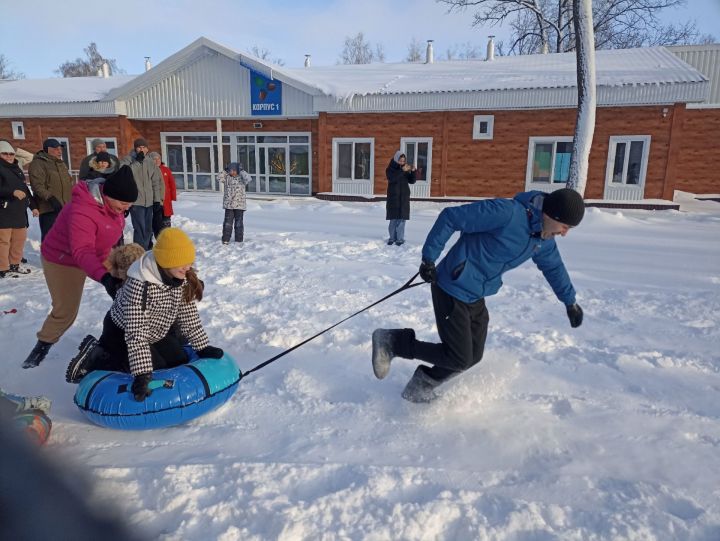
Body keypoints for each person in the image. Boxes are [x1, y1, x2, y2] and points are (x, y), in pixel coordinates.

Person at [371, 188, 586, 403]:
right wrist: (429, 258)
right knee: (459, 357)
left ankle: (421, 384)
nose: (565, 232)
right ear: (551, 215)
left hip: (476, 293)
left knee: (473, 356)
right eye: (565, 226)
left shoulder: (542, 240)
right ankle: (392, 342)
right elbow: (451, 217)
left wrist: (570, 302)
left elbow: (554, 268)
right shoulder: (507, 213)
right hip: (451, 286)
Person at [65, 228, 224, 402]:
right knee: (157, 370)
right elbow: (136, 334)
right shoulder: (140, 286)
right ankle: (99, 357)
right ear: (166, 261)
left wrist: (202, 347)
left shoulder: (180, 276)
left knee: (179, 361)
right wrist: (142, 375)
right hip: (121, 332)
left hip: (155, 330)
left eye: (189, 262)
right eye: (182, 262)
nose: (188, 267)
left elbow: (189, 317)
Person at [22, 166, 138, 369]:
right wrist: (104, 278)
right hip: (63, 260)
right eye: (123, 203)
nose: (126, 208)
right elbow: (82, 250)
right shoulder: (82, 210)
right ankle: (39, 350)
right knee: (66, 310)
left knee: (127, 288)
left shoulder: (113, 205)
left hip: (97, 255)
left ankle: (128, 335)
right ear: (108, 195)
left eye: (130, 204)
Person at [0, 141, 38, 278]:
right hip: (4, 211)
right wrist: (12, 192)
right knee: (3, 242)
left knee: (19, 240)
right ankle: (3, 269)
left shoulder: (16, 168)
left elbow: (25, 189)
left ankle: (14, 265)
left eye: (11, 153)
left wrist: (33, 206)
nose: (9, 156)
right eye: (5, 153)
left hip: (19, 212)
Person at [121, 138, 163, 250]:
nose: (141, 149)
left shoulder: (150, 162)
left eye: (144, 147)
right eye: (139, 147)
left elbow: (155, 182)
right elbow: (124, 173)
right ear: (135, 148)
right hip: (136, 201)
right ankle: (140, 253)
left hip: (149, 202)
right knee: (140, 228)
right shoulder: (128, 159)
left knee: (148, 229)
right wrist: (137, 162)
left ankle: (146, 251)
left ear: (147, 149)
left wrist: (157, 200)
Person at [28, 138, 73, 241]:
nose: (60, 152)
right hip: (49, 208)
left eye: (60, 149)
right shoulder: (38, 163)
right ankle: (47, 257)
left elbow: (68, 183)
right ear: (48, 149)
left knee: (65, 238)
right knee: (50, 238)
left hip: (64, 208)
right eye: (56, 149)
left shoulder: (61, 164)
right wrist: (51, 198)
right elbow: (37, 185)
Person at [385, 150, 416, 246]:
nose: (402, 162)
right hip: (393, 197)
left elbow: (412, 181)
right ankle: (392, 238)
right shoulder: (390, 169)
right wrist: (402, 171)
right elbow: (392, 178)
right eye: (400, 160)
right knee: (393, 219)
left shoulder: (405, 169)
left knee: (402, 219)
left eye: (403, 161)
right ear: (396, 159)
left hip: (404, 197)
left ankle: (400, 239)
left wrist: (413, 172)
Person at [218, 162, 251, 244]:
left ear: (237, 170)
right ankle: (225, 239)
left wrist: (242, 171)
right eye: (230, 170)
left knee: (239, 223)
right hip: (229, 205)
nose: (231, 172)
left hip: (240, 205)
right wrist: (225, 171)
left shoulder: (242, 178)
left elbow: (249, 179)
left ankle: (239, 240)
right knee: (227, 223)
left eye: (234, 170)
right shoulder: (227, 178)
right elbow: (219, 177)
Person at [148, 152, 176, 234]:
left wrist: (172, 196)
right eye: (154, 159)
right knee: (157, 220)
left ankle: (167, 235)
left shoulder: (166, 169)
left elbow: (172, 183)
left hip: (166, 199)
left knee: (166, 219)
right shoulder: (148, 170)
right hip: (154, 200)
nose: (157, 161)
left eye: (158, 159)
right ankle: (157, 234)